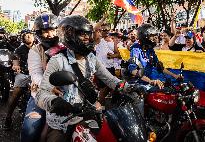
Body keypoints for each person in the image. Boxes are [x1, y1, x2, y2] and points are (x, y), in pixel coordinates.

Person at [35, 15, 122, 142]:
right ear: (69, 35)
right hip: (64, 121)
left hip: (88, 114)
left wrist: (127, 87)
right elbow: (41, 93)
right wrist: (54, 102)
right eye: (82, 34)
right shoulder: (58, 60)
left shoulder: (91, 58)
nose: (87, 37)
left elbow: (109, 79)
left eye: (88, 33)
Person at [21, 14, 62, 142]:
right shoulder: (35, 50)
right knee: (30, 130)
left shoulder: (67, 47)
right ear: (39, 33)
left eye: (53, 30)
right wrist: (51, 87)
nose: (50, 34)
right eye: (45, 31)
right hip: (41, 95)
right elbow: (36, 74)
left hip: (68, 95)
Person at [3, 29, 34, 131]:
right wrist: (16, 65)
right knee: (16, 93)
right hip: (24, 74)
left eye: (30, 34)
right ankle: (8, 117)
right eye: (26, 35)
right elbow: (15, 58)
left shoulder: (39, 47)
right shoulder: (19, 49)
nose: (28, 36)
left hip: (37, 76)